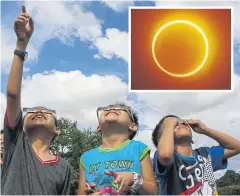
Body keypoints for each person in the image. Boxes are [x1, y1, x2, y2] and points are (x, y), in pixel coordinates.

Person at [1, 5, 71, 195]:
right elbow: (13, 94)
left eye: (47, 112)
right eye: (31, 111)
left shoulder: (64, 166)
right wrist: (21, 44)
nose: (39, 111)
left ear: (57, 130)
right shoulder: (15, 145)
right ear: (21, 125)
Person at [78, 103, 157, 195]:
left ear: (133, 126)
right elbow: (81, 193)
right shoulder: (86, 158)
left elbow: (153, 192)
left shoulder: (139, 149)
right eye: (106, 109)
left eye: (121, 109)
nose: (111, 109)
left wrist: (133, 179)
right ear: (98, 127)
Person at [152, 115, 240, 195]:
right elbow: (165, 154)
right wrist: (168, 122)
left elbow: (236, 147)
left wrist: (206, 130)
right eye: (173, 126)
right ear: (162, 141)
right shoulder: (165, 158)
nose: (179, 124)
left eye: (181, 122)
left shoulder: (205, 154)